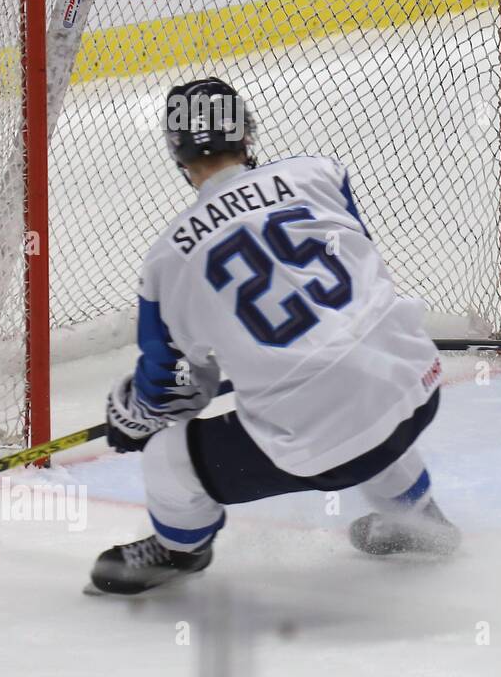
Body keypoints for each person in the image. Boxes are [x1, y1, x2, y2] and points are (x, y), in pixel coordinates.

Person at [88, 78, 458, 595]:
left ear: (177, 152)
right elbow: (353, 264)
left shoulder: (167, 259)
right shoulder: (318, 173)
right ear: (246, 132)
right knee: (358, 376)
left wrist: (132, 415)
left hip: (321, 444)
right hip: (417, 386)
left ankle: (180, 550)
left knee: (168, 456)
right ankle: (418, 519)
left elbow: (168, 390)